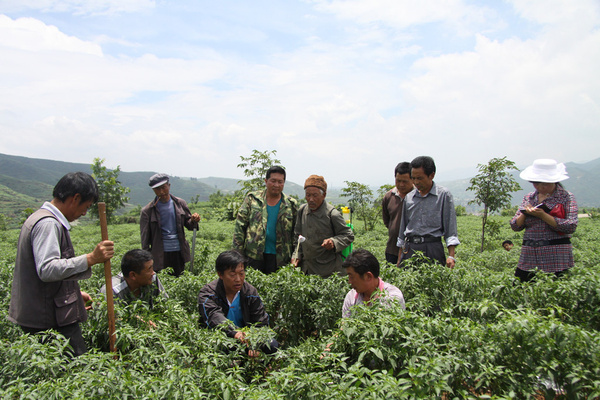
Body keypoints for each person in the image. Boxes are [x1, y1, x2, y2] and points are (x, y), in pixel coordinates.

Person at [8, 172, 115, 356]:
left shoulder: (39, 218)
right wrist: (91, 259)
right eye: (86, 207)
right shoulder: (48, 224)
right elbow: (47, 269)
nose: (84, 213)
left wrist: (71, 291)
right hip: (48, 320)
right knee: (74, 371)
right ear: (75, 198)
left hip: (39, 313)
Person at [197, 250, 278, 355]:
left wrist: (254, 342)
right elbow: (214, 316)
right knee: (219, 348)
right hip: (222, 337)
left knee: (272, 345)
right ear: (220, 275)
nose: (238, 279)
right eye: (232, 274)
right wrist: (234, 332)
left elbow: (261, 321)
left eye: (241, 273)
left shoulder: (250, 292)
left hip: (246, 338)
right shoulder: (208, 293)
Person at [510, 159, 578, 282]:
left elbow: (571, 226)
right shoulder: (529, 198)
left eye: (544, 184)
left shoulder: (566, 197)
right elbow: (515, 226)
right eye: (536, 184)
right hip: (529, 255)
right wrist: (525, 214)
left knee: (554, 289)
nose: (540, 187)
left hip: (556, 256)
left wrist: (543, 216)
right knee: (521, 289)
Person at [397, 156, 460, 268]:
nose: (416, 182)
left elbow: (450, 229)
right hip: (410, 247)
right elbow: (403, 230)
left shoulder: (443, 195)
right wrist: (399, 258)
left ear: (431, 175)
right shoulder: (409, 197)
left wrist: (451, 256)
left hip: (432, 247)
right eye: (414, 178)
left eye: (420, 178)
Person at [233, 166, 298, 274]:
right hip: (254, 255)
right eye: (273, 181)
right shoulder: (252, 199)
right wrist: (237, 254)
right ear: (266, 181)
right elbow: (240, 226)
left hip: (280, 258)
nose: (276, 185)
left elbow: (296, 232)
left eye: (280, 182)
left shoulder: (291, 204)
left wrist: (296, 255)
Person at [291, 175, 354, 278]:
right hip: (307, 270)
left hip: (328, 271)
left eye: (315, 195)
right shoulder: (302, 210)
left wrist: (333, 242)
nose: (311, 199)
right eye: (308, 195)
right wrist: (296, 255)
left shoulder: (332, 214)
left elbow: (348, 235)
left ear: (324, 195)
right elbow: (298, 237)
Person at [140, 173, 200, 276]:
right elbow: (144, 240)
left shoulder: (180, 203)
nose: (161, 192)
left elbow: (189, 224)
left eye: (163, 187)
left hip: (178, 252)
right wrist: (147, 259)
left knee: (179, 279)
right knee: (162, 283)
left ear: (169, 185)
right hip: (159, 254)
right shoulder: (147, 211)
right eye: (157, 189)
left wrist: (194, 220)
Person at [342, 249, 405, 318]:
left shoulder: (392, 298)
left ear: (368, 276)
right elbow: (345, 326)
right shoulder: (351, 297)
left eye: (351, 276)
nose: (349, 281)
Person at [100, 249, 167, 307]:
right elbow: (112, 320)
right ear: (133, 275)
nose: (153, 272)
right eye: (149, 269)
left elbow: (164, 304)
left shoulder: (152, 278)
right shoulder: (112, 291)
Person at [382, 162, 414, 264]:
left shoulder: (417, 197)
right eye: (398, 180)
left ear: (412, 179)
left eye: (405, 181)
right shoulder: (389, 197)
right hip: (392, 249)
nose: (401, 184)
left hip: (413, 250)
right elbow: (387, 221)